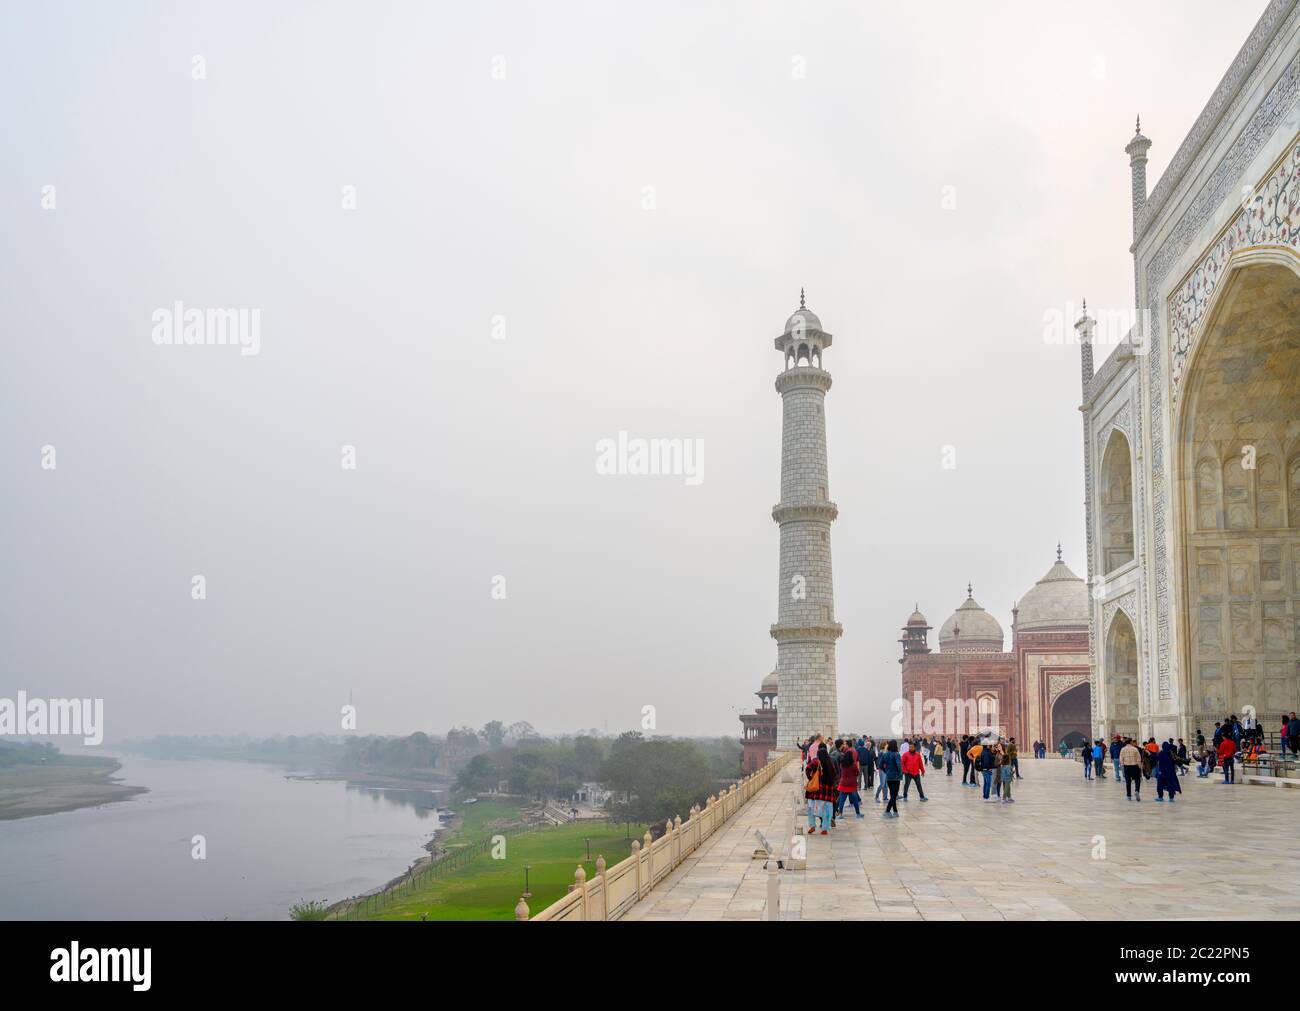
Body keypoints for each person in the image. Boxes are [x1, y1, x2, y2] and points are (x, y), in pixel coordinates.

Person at [837, 743, 863, 818]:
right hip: (852, 783)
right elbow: (857, 773)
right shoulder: (853, 765)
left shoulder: (842, 764)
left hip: (843, 783)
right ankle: (858, 813)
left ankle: (840, 814)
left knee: (842, 800)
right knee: (855, 800)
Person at [880, 740, 903, 818]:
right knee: (894, 795)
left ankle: (895, 811)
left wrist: (885, 771)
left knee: (892, 794)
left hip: (889, 777)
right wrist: (900, 772)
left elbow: (880, 765)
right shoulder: (896, 754)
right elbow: (899, 765)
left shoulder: (885, 754)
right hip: (896, 777)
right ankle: (887, 810)